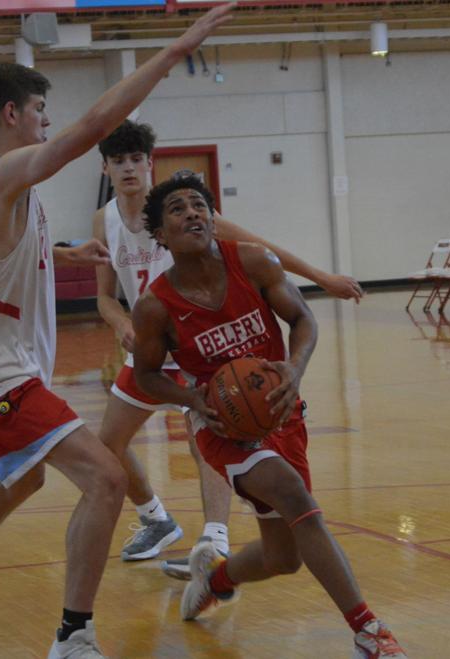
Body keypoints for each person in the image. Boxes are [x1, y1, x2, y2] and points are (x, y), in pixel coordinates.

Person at [0, 6, 234, 659]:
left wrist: (65, 256)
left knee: (23, 479)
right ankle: (72, 636)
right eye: (39, 110)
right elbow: (90, 129)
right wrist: (173, 52)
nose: (47, 122)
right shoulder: (2, 174)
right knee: (106, 478)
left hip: (2, 367)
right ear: (11, 114)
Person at [130, 175, 407, 658]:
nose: (192, 213)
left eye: (199, 205)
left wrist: (294, 369)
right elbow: (146, 375)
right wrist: (193, 399)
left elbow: (302, 319)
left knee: (285, 557)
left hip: (280, 411)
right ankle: (369, 632)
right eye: (177, 209)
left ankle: (215, 580)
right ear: (160, 234)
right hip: (221, 425)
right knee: (292, 493)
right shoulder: (155, 306)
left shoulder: (254, 262)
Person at [83, 121, 365, 571]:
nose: (129, 168)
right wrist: (121, 323)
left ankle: (214, 540)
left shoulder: (182, 211)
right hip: (151, 346)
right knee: (107, 443)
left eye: (136, 159)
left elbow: (261, 248)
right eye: (119, 161)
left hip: (198, 344)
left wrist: (323, 278)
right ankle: (155, 519)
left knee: (212, 432)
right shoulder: (105, 220)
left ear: (150, 162)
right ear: (105, 169)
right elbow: (103, 295)